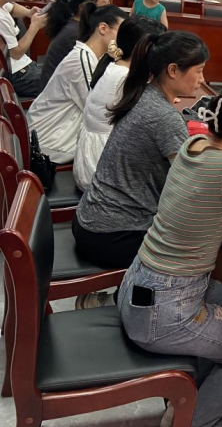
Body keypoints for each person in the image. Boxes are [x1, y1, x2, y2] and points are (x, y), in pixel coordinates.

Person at [118, 80, 222, 427]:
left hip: (136, 286)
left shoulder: (193, 144)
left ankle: (195, 395)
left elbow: (211, 205)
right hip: (165, 310)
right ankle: (196, 420)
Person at [72, 31, 209, 285]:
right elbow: (191, 187)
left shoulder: (141, 94)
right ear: (173, 70)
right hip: (113, 236)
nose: (202, 79)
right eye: (198, 71)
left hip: (90, 221)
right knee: (205, 240)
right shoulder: (165, 116)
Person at [74, 17, 165, 190]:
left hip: (89, 165)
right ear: (145, 49)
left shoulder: (112, 65)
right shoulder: (125, 78)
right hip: (100, 175)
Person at [27, 5, 123, 164]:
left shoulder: (91, 56)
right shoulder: (82, 60)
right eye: (121, 31)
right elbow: (97, 110)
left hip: (57, 134)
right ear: (103, 28)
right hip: (49, 142)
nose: (124, 38)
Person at [40, 0, 109, 89]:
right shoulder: (76, 33)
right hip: (60, 92)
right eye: (103, 6)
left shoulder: (76, 25)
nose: (109, 11)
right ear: (83, 7)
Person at [0, 0, 46, 97]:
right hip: (17, 75)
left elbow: (12, 7)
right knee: (62, 83)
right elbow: (16, 53)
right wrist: (35, 26)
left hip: (22, 66)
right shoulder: (1, 19)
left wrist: (29, 13)